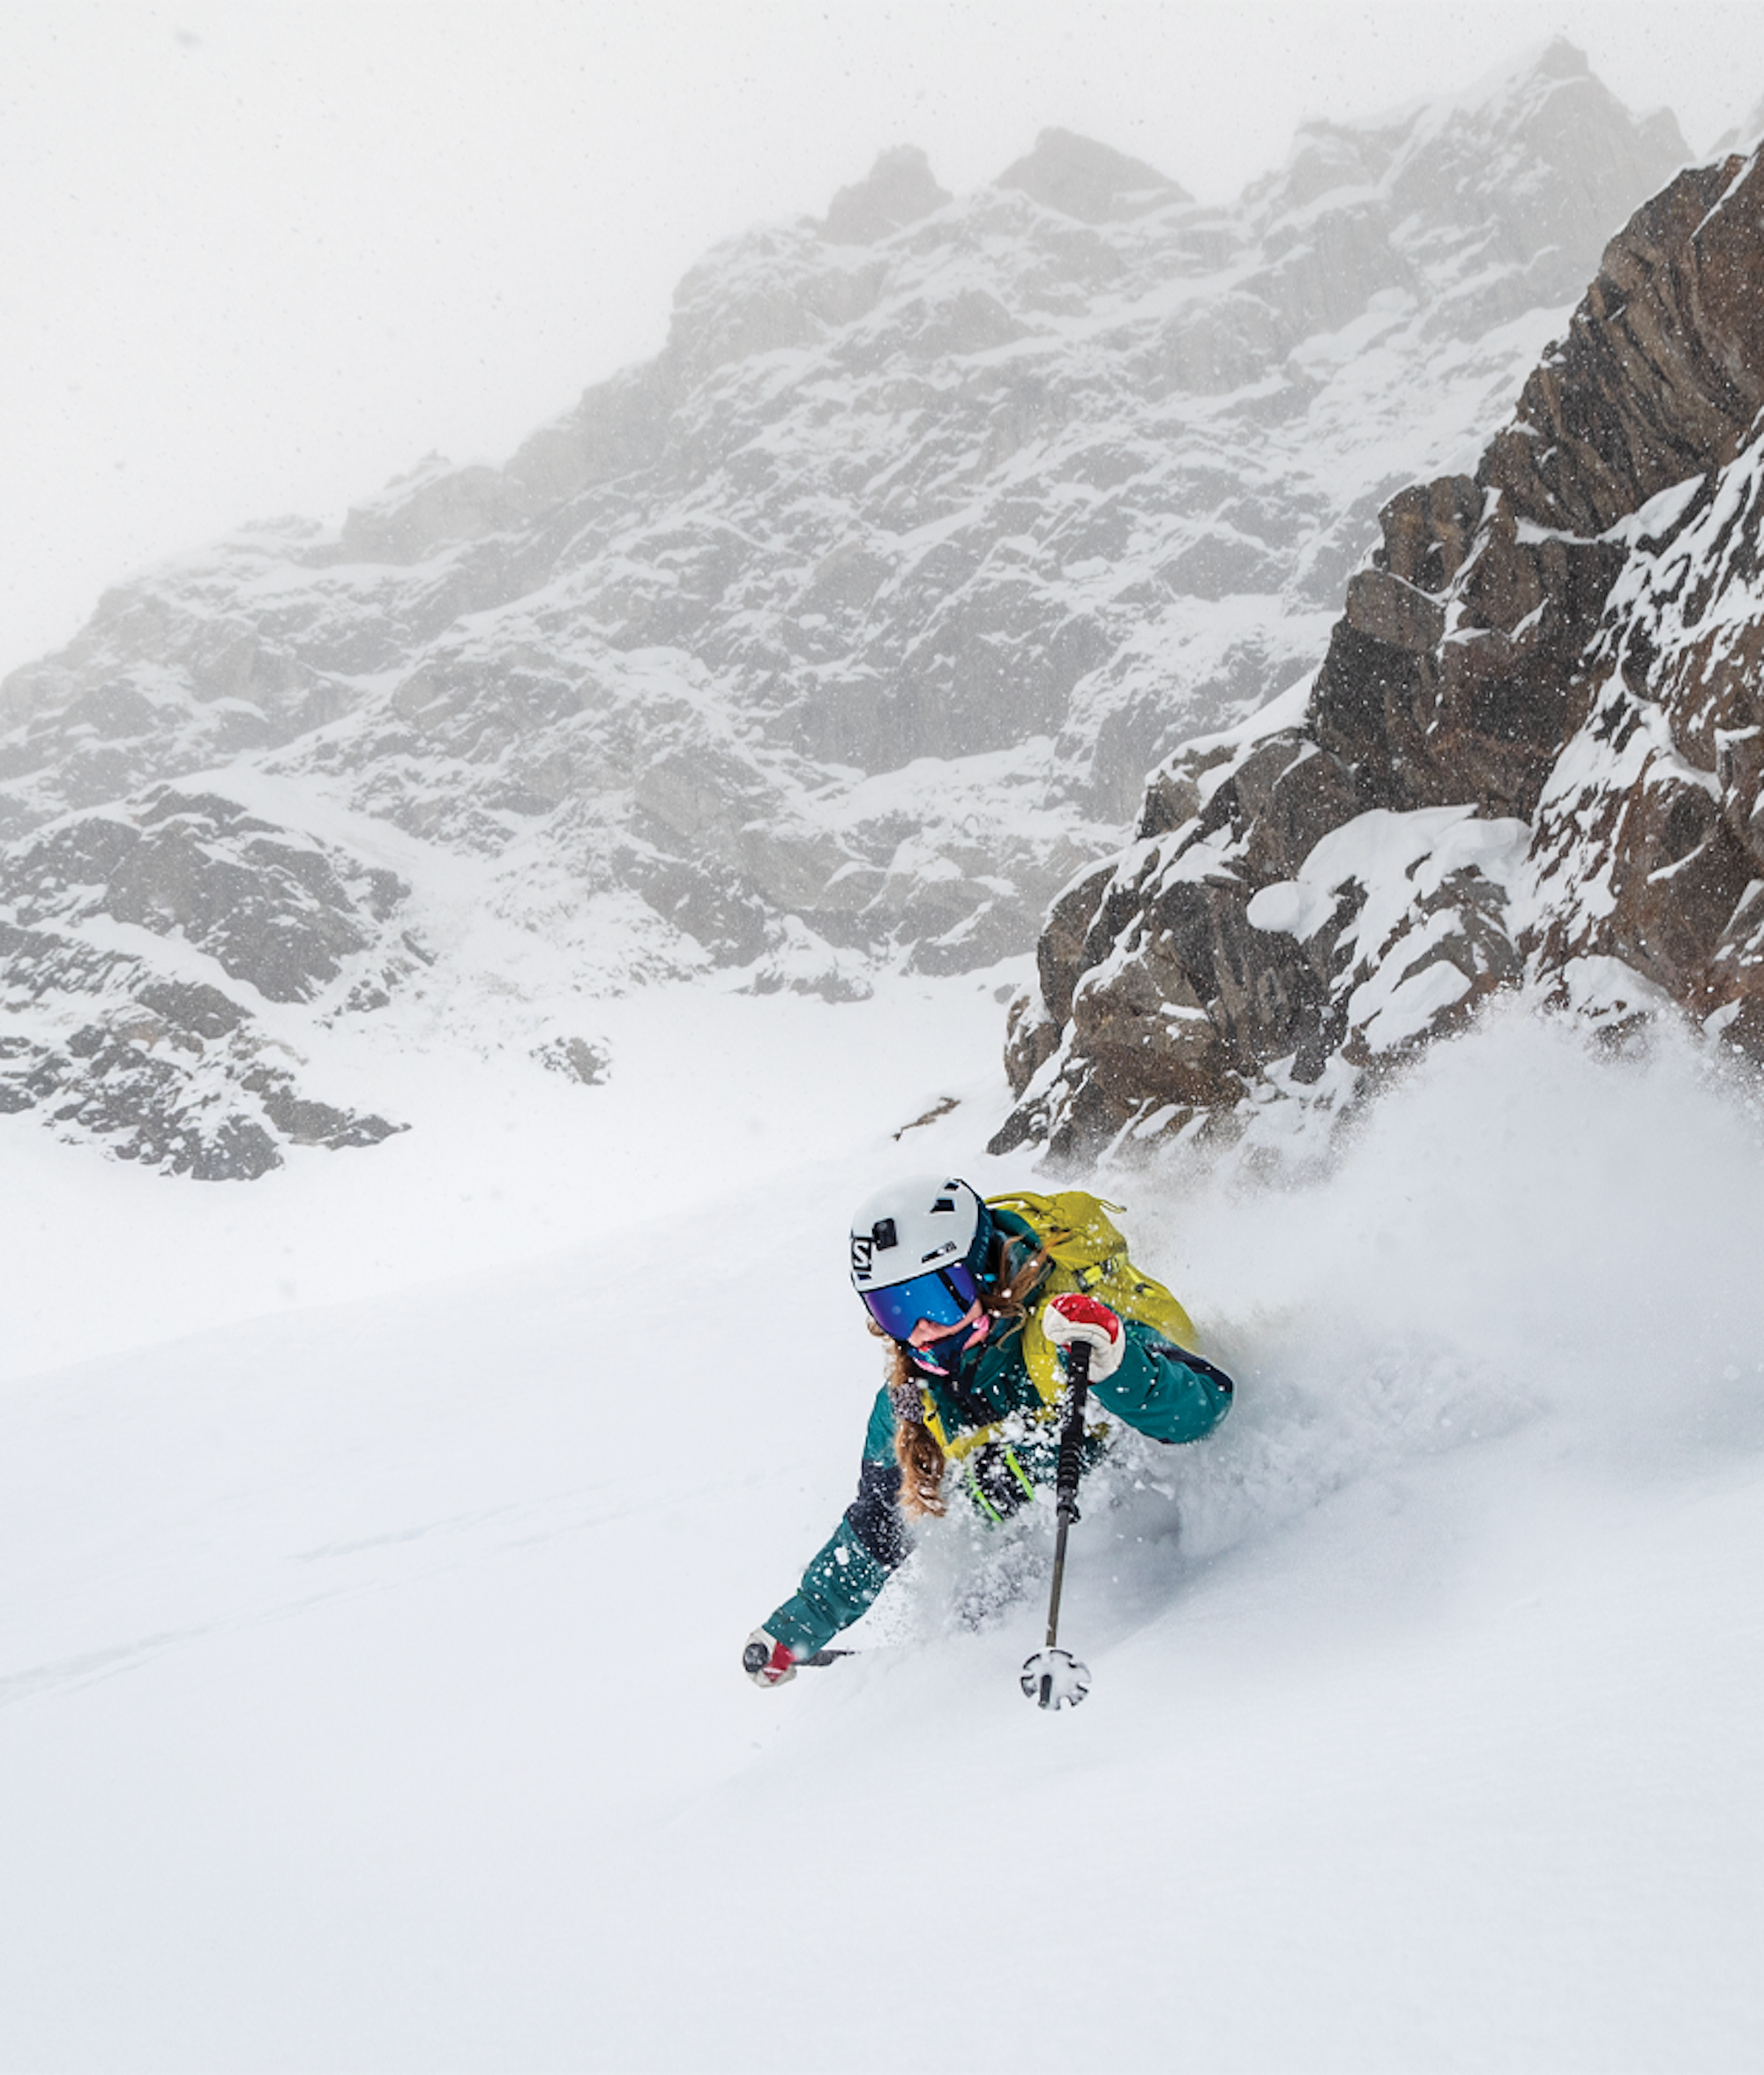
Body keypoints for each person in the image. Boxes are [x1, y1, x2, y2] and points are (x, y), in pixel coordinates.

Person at [744, 1174, 1236, 1686]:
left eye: (936, 1299)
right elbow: (877, 1526)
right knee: (973, 1553)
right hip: (1034, 1571)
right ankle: (976, 1663)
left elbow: (1205, 1409)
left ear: (982, 1273)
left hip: (1155, 1561)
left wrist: (1117, 1365)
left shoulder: (1065, 1328)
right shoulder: (909, 1398)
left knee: (1004, 1477)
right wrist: (797, 1627)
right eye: (894, 1309)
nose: (921, 1330)